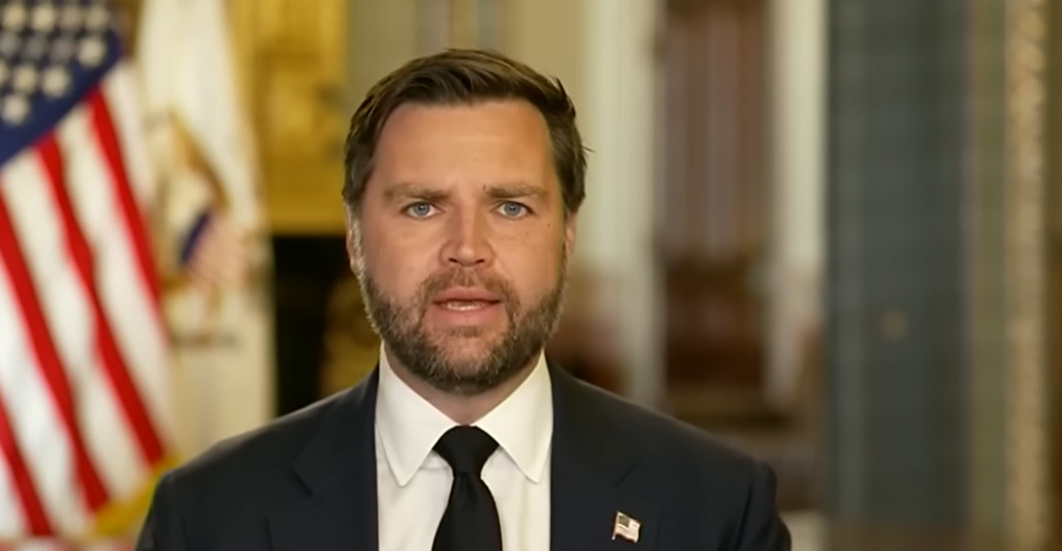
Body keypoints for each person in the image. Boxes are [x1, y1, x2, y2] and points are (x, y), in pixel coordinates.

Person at [135, 48, 791, 551]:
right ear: (354, 238)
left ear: (567, 234)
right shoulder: (210, 516)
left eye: (510, 207)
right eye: (422, 207)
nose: (467, 248)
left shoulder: (716, 510)